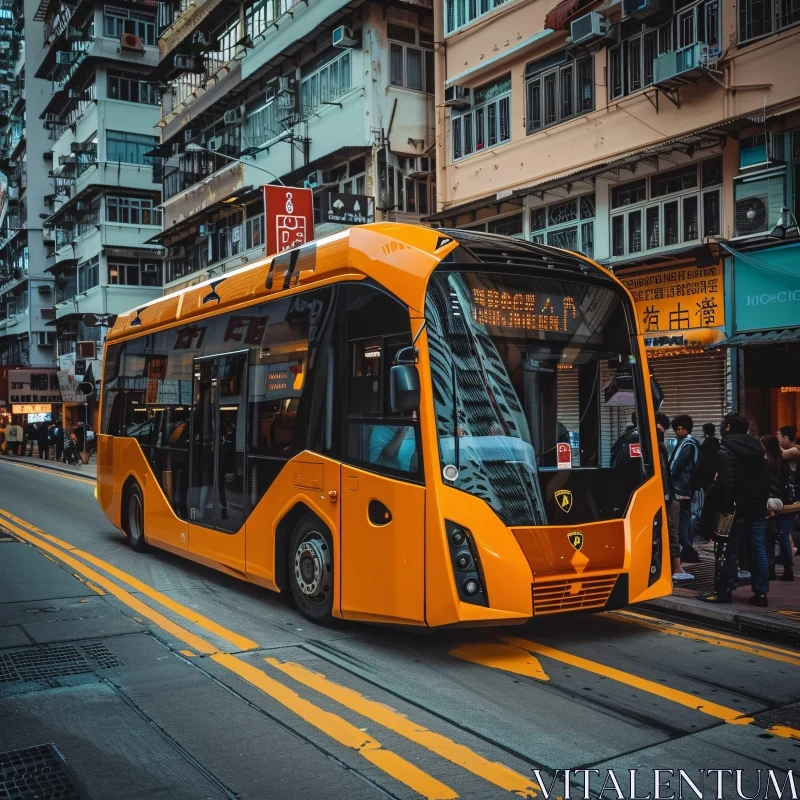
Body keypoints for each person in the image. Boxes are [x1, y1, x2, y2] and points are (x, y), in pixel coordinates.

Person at [702, 412, 771, 605]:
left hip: (730, 509)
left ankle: (723, 591)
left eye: (724, 424)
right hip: (757, 507)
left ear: (728, 428)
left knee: (725, 548)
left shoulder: (725, 449)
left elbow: (725, 483)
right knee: (758, 549)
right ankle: (761, 593)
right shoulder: (758, 448)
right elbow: (766, 479)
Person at [656, 413, 692, 582]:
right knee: (673, 530)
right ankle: (676, 568)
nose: (678, 431)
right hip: (669, 493)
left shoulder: (685, 444)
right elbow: (667, 471)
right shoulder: (659, 445)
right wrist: (668, 494)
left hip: (669, 492)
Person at [762, 434, 796, 581]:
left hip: (776, 505)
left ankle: (772, 570)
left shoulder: (768, 464)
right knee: (782, 537)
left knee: (771, 538)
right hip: (787, 505)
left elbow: (771, 487)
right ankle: (787, 569)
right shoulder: (782, 461)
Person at [669, 414, 701, 563]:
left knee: (682, 519)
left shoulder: (687, 444)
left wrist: (669, 480)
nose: (678, 432)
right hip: (685, 486)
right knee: (684, 518)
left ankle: (686, 549)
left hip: (682, 487)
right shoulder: (688, 443)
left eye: (681, 429)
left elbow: (677, 466)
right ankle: (688, 549)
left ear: (687, 429)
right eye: (677, 429)